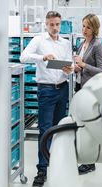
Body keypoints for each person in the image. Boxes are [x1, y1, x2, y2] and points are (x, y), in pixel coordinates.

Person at [20, 11, 73, 187]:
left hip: (62, 89)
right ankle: (42, 170)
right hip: (46, 91)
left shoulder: (65, 43)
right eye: (51, 24)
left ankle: (56, 165)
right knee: (45, 130)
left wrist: (69, 69)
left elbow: (69, 63)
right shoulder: (39, 40)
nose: (55, 27)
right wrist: (43, 57)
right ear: (46, 24)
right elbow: (23, 56)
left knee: (59, 131)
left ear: (60, 24)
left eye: (57, 24)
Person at [74, 13, 102, 174]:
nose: (84, 29)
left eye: (88, 27)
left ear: (94, 29)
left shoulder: (97, 45)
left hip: (90, 92)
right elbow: (79, 65)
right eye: (83, 25)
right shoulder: (81, 43)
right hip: (79, 87)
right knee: (81, 125)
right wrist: (76, 67)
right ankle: (85, 157)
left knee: (89, 126)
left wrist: (84, 65)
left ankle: (90, 162)